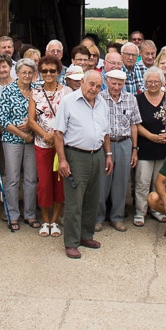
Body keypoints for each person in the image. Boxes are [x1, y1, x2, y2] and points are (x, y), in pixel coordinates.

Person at [54, 70, 112, 259]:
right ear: (82, 83)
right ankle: (71, 242)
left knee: (92, 199)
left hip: (97, 156)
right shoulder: (68, 102)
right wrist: (62, 159)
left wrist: (108, 155)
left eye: (98, 85)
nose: (94, 89)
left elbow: (105, 133)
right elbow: (58, 134)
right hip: (76, 156)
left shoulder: (102, 103)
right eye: (91, 84)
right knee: (74, 201)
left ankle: (86, 235)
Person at [28, 56, 69, 237]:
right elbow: (31, 119)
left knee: (60, 183)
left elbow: (70, 118)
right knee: (44, 184)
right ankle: (45, 220)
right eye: (44, 71)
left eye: (52, 70)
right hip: (42, 144)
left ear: (58, 71)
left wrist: (55, 135)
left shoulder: (67, 92)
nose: (48, 74)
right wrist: (45, 135)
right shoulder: (35, 93)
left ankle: (55, 220)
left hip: (61, 145)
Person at [0, 58, 39, 232]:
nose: (27, 76)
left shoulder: (36, 92)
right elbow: (2, 119)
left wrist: (31, 127)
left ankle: (30, 214)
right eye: (24, 72)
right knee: (13, 178)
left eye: (30, 73)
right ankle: (12, 214)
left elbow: (42, 114)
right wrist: (22, 133)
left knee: (31, 178)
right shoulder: (7, 91)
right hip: (12, 139)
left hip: (32, 139)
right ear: (17, 73)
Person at [134, 67, 166, 226]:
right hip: (145, 147)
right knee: (142, 181)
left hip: (164, 148)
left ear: (162, 82)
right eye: (149, 81)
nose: (153, 84)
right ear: (145, 82)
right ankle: (140, 211)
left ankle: (157, 209)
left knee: (160, 182)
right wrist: (151, 136)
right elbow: (135, 124)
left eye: (156, 81)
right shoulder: (138, 99)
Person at [97, 68, 141, 231]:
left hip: (124, 143)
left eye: (120, 84)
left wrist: (135, 149)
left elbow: (134, 125)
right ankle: (98, 217)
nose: (116, 87)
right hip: (104, 144)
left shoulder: (131, 99)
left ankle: (117, 217)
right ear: (107, 82)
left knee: (121, 182)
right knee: (102, 182)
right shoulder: (100, 98)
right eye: (113, 83)